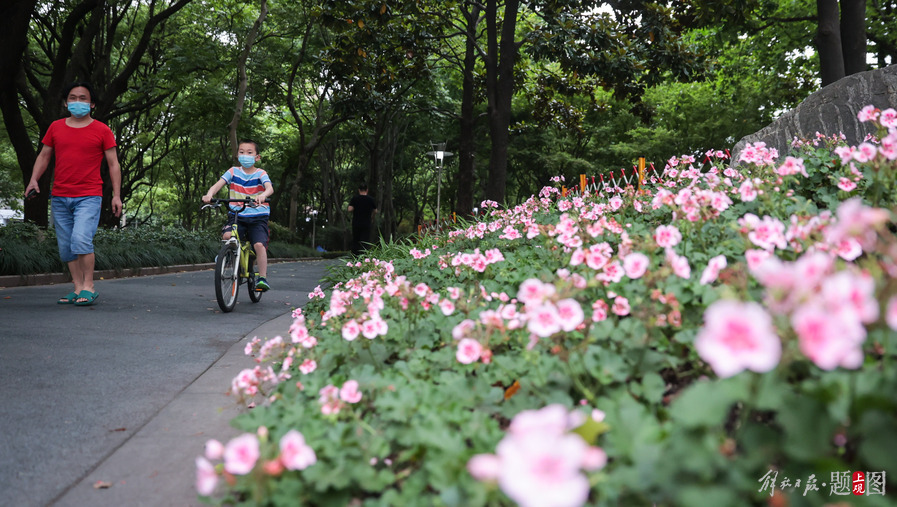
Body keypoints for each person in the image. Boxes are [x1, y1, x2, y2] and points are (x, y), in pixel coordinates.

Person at [25, 82, 122, 306]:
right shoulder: (56, 127)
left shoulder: (102, 130)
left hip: (89, 195)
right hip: (59, 196)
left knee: (81, 239)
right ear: (66, 102)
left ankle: (89, 287)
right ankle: (77, 288)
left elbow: (113, 164)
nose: (77, 102)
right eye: (73, 97)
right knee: (66, 245)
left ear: (92, 103)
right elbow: (44, 156)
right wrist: (33, 179)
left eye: (83, 98)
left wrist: (116, 196)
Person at [202, 140, 274, 291]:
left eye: (249, 152)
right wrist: (209, 194)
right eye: (241, 152)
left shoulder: (261, 173)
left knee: (259, 245)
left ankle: (262, 278)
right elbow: (217, 184)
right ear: (237, 155)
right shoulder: (233, 171)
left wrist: (262, 196)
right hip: (237, 215)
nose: (245, 155)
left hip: (258, 216)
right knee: (228, 236)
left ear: (257, 157)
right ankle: (227, 257)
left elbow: (269, 188)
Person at [348, 184, 377, 255]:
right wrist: (372, 217)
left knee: (356, 240)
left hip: (356, 223)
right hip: (367, 223)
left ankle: (355, 257)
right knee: (365, 241)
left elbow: (349, 209)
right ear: (367, 190)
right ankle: (364, 257)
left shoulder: (355, 198)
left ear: (359, 190)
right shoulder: (370, 199)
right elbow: (375, 210)